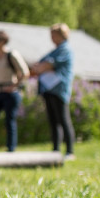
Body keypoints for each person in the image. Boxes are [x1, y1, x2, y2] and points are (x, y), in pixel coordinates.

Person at [31, 23, 76, 159]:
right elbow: (40, 65)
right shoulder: (54, 50)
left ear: (61, 35)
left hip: (59, 89)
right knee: (53, 121)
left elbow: (48, 64)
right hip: (49, 88)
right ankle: (56, 150)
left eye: (54, 35)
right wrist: (44, 67)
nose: (51, 37)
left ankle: (69, 151)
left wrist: (45, 67)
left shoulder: (65, 49)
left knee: (63, 119)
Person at [0, 30, 30, 152]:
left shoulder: (12, 55)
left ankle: (10, 148)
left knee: (9, 120)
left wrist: (14, 85)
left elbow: (25, 72)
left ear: (4, 41)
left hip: (10, 93)